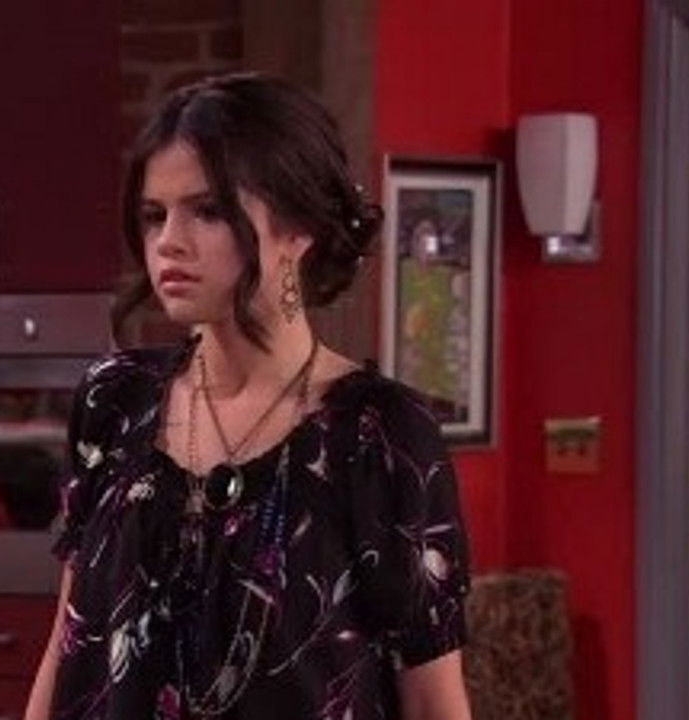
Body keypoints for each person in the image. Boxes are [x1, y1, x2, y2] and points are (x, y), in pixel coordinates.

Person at [24, 72, 472, 720]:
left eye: (207, 211)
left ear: (298, 228)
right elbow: (66, 645)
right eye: (154, 215)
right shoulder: (115, 400)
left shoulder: (380, 433)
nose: (168, 242)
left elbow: (432, 700)